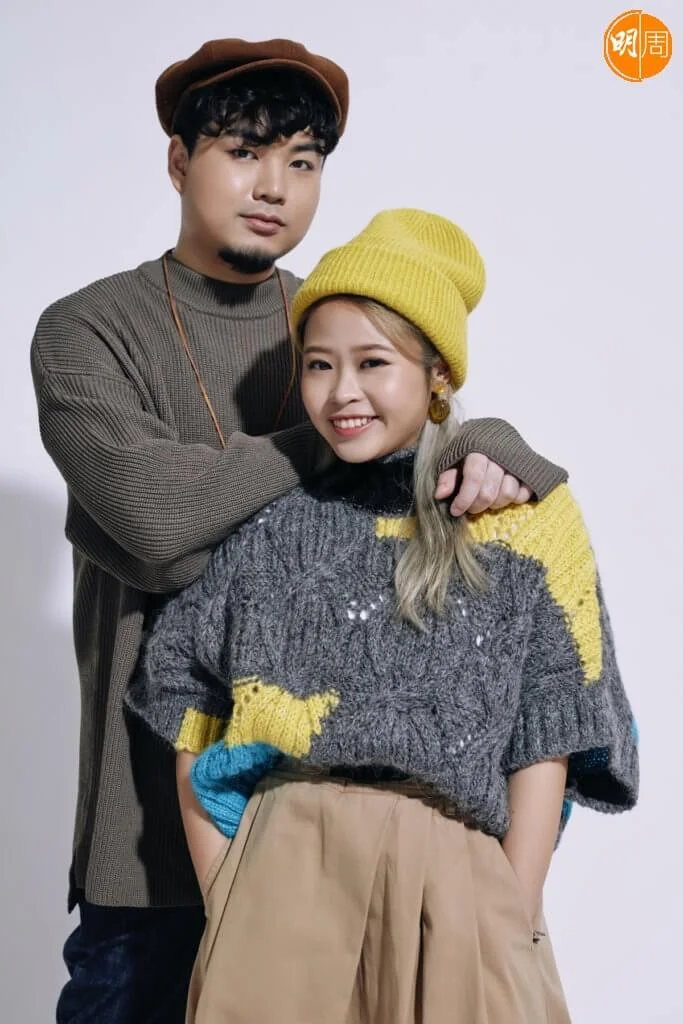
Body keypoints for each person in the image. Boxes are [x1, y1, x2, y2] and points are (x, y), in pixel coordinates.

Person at [32, 40, 568, 1023]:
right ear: (178, 160)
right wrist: (349, 435)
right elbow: (156, 529)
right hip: (146, 840)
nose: (273, 186)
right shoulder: (88, 332)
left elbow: (424, 425)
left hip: (339, 851)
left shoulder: (332, 315)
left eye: (303, 161)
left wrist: (478, 438)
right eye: (242, 151)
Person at [128, 209, 639, 1024]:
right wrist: (226, 892)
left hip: (457, 877)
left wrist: (513, 910)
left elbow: (549, 723)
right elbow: (190, 699)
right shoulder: (270, 519)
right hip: (283, 871)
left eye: (373, 362)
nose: (342, 391)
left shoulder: (521, 518)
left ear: (436, 373)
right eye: (319, 364)